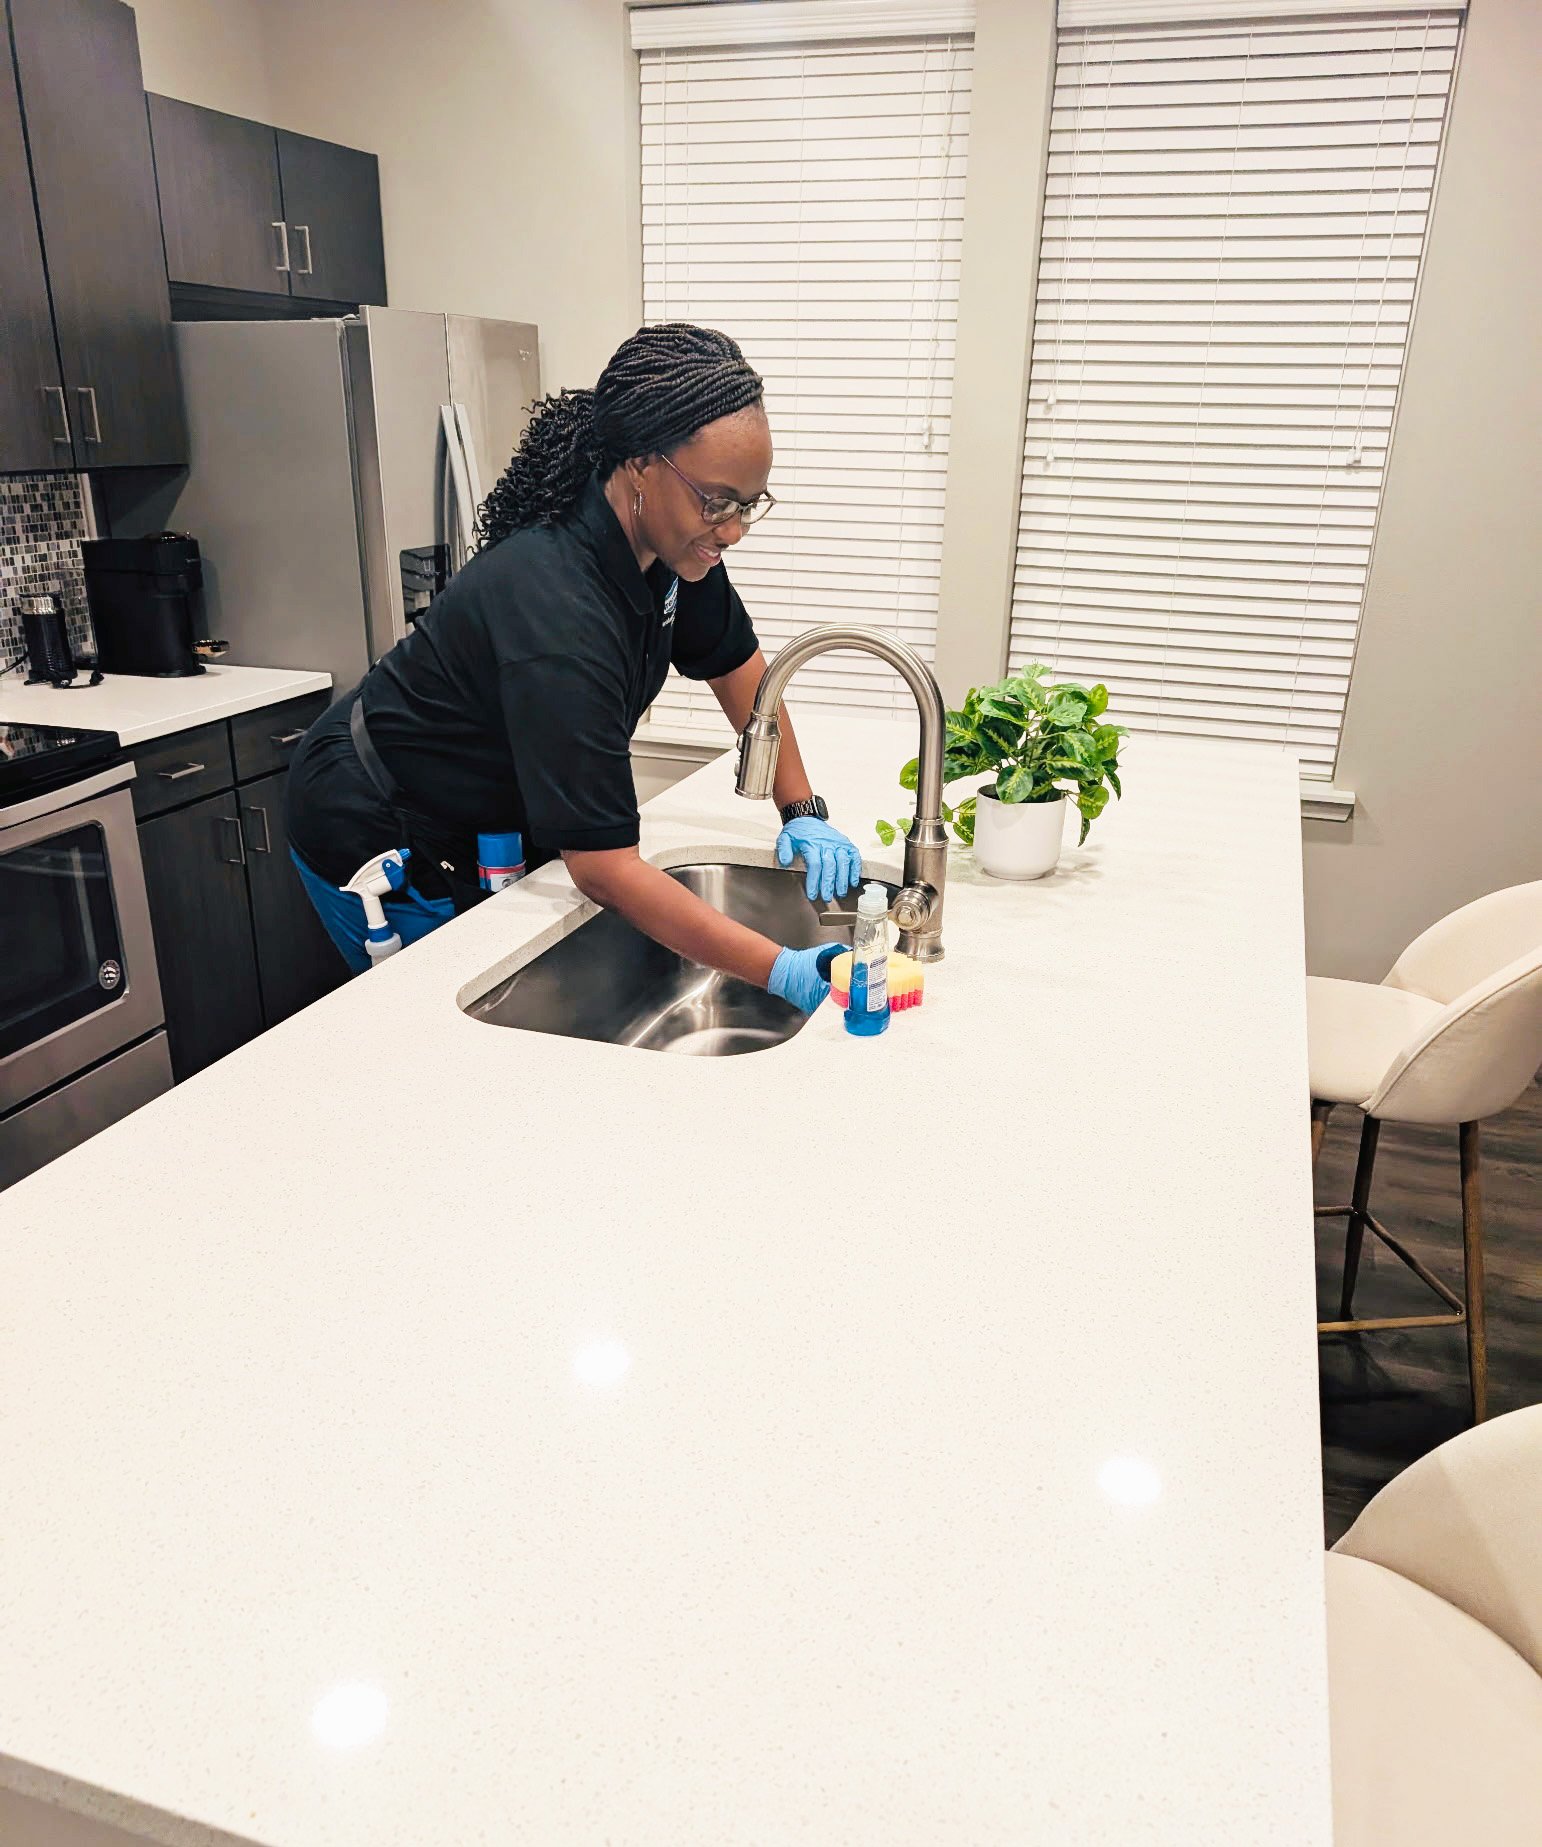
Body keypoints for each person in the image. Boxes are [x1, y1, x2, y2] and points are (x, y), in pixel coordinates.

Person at [285, 322, 863, 1012]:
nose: (732, 529)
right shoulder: (558, 607)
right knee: (438, 1038)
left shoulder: (676, 545)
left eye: (748, 504)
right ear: (643, 463)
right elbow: (606, 870)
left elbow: (736, 663)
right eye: (717, 501)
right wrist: (784, 969)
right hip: (380, 823)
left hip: (488, 815)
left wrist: (800, 808)